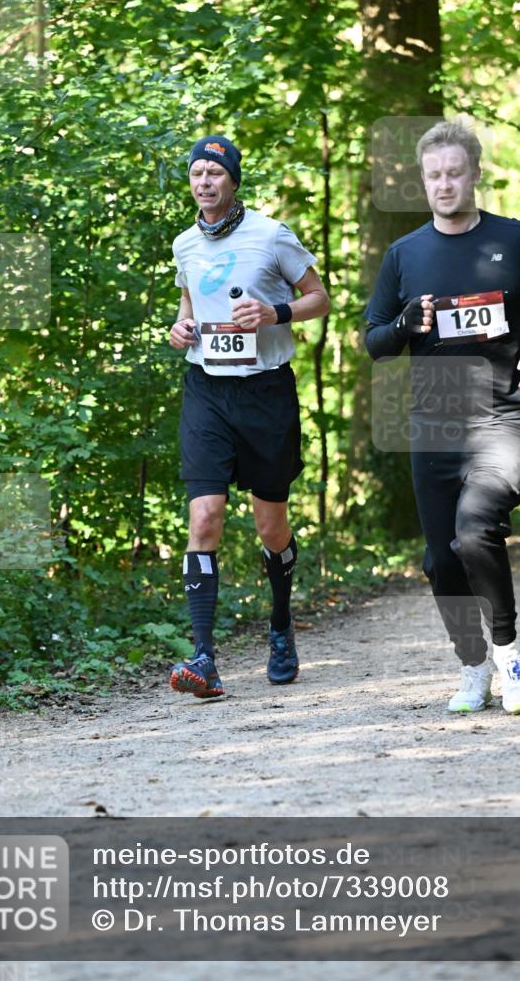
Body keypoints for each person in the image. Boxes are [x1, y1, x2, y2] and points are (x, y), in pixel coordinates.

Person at [364, 120, 520, 715]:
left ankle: (509, 657)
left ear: (475, 173)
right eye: (434, 175)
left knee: (476, 529)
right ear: (422, 182)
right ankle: (473, 667)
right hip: (436, 419)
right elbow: (374, 340)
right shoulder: (404, 256)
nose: (444, 184)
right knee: (439, 558)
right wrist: (405, 324)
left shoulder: (518, 239)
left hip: (508, 408)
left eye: (455, 172)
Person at [167, 135, 330, 698]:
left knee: (270, 526)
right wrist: (179, 328)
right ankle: (204, 657)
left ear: (233, 180)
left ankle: (281, 625)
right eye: (197, 173)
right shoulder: (185, 244)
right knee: (205, 516)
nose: (205, 182)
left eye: (215, 172)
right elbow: (189, 308)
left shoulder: (271, 234)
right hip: (207, 389)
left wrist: (274, 312)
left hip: (265, 393)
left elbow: (320, 298)